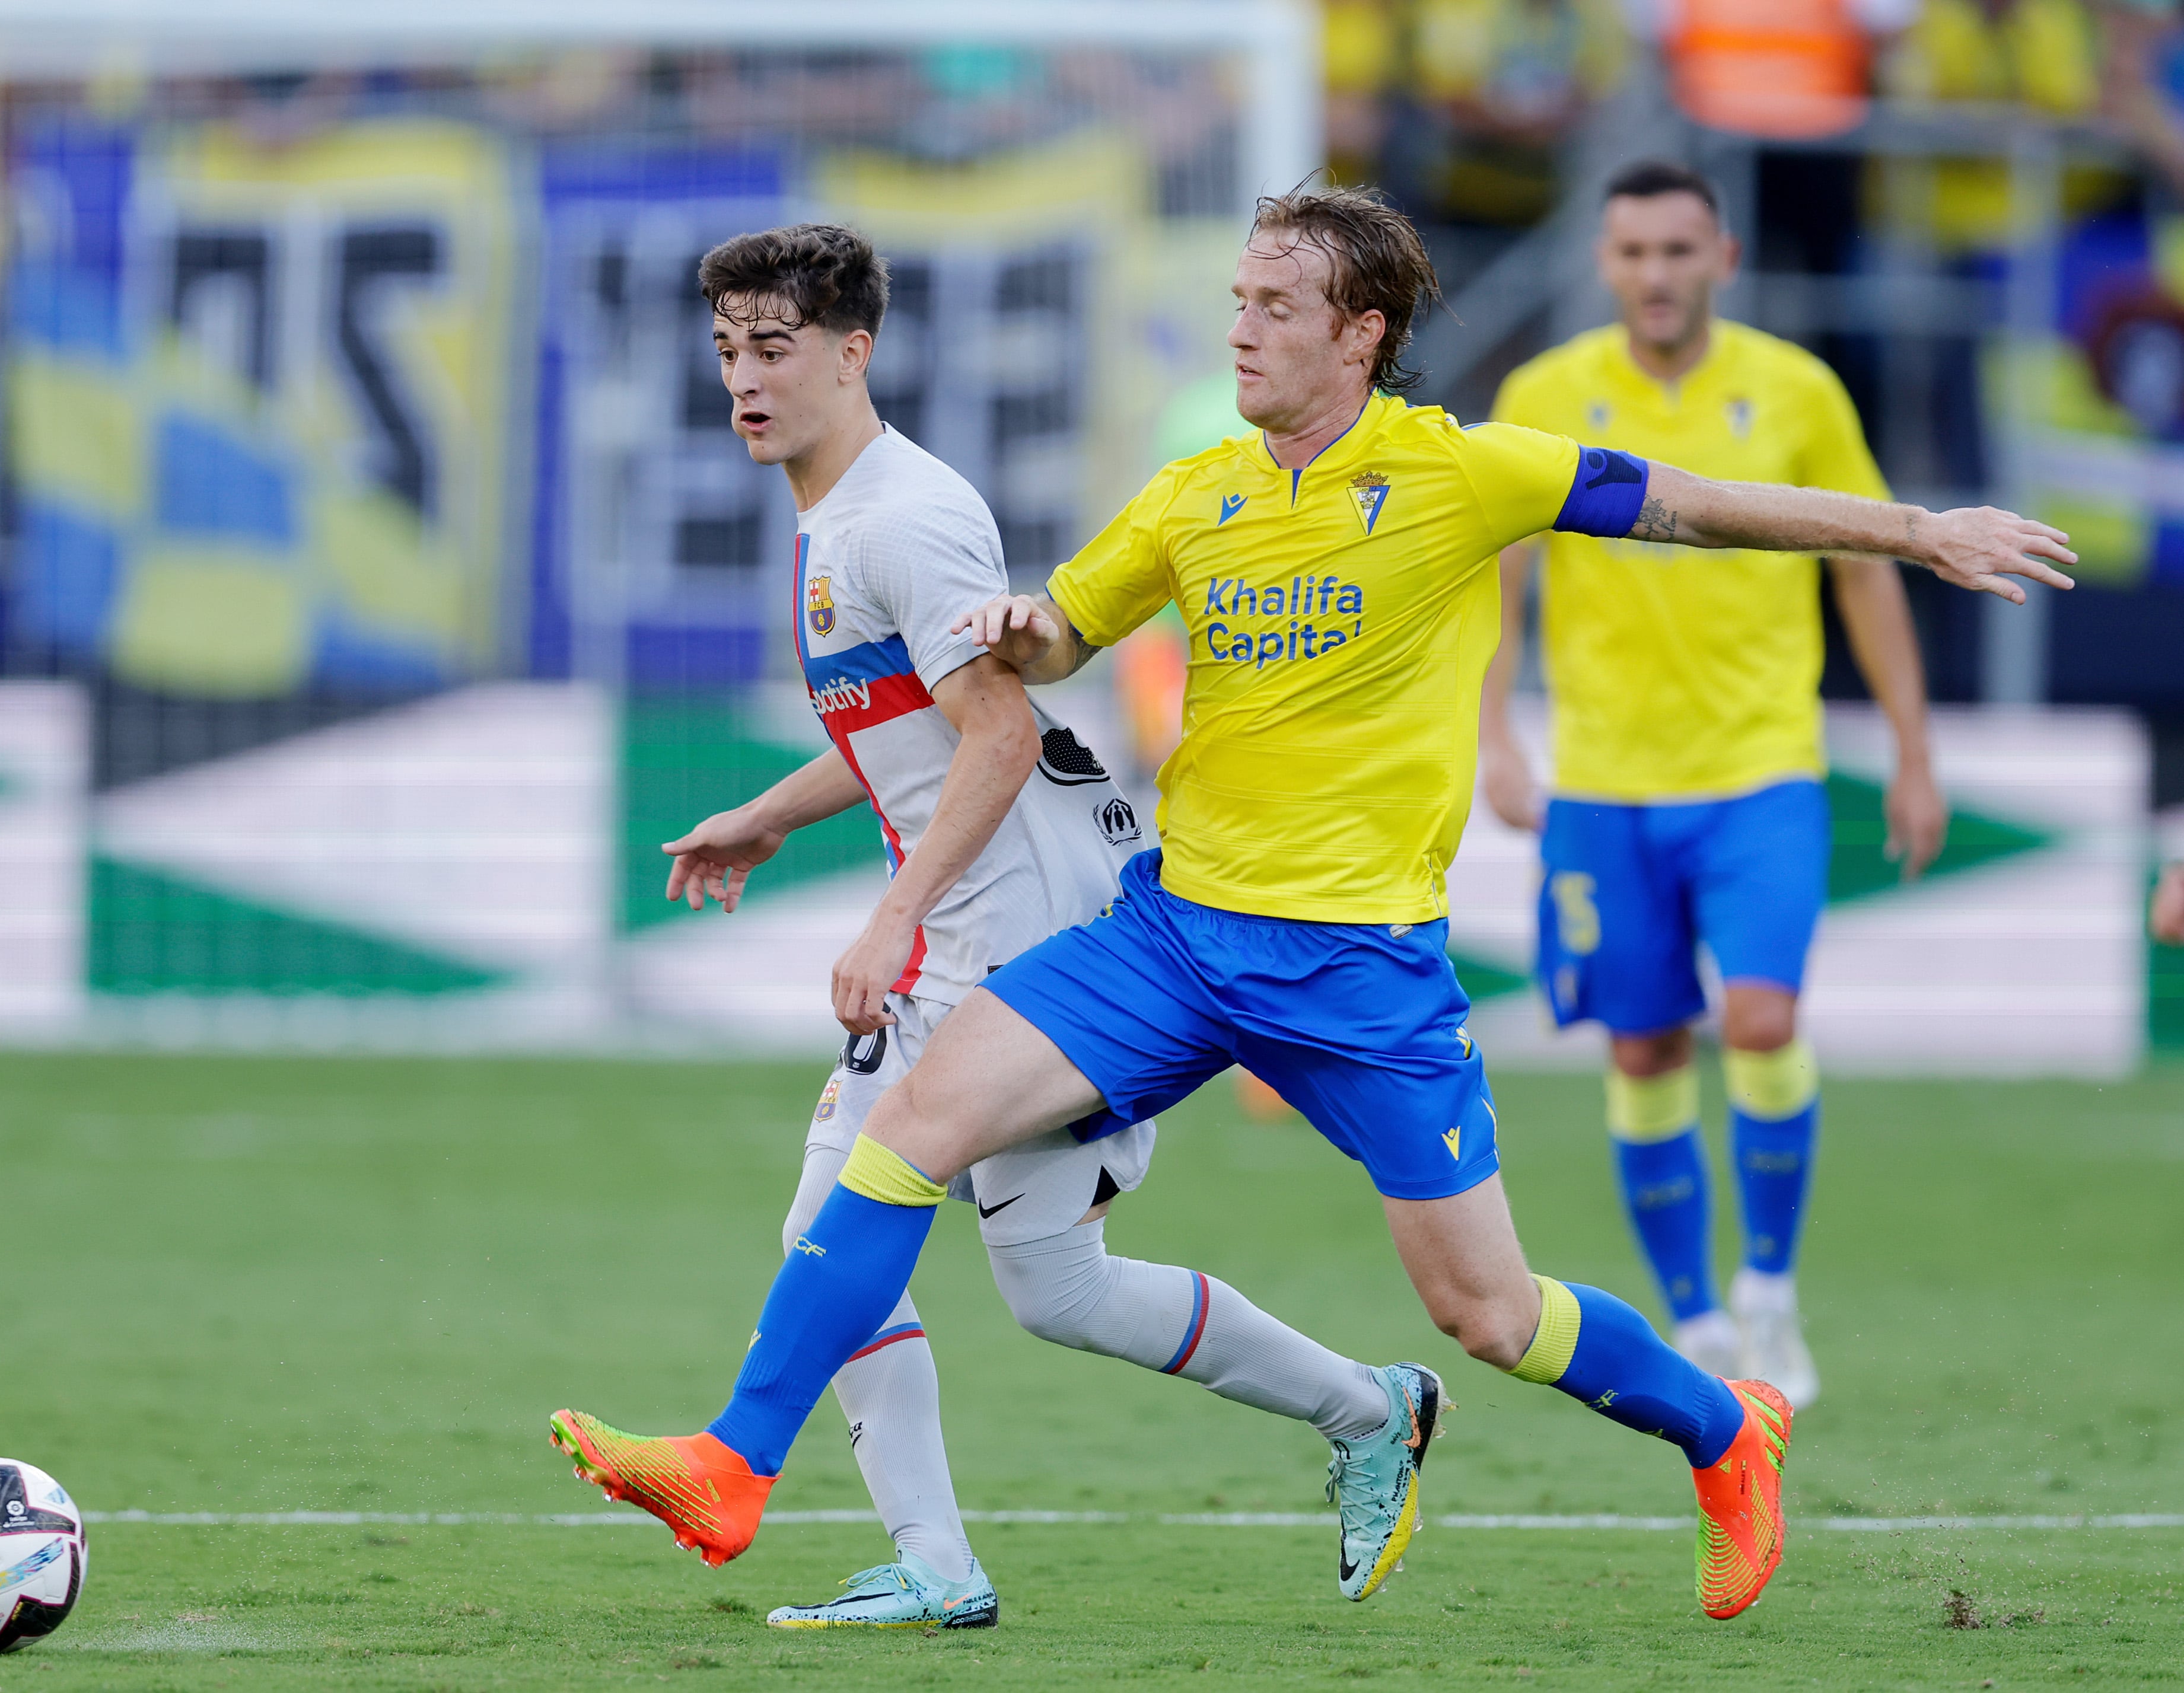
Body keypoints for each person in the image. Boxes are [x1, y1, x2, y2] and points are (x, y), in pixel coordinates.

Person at [550, 187, 2075, 1622]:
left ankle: (1719, 1424)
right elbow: (1051, 647)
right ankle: (737, 1464)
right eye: (1235, 300)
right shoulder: (1194, 497)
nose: (1240, 330)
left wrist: (1915, 529)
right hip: (1170, 935)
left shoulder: (1460, 471)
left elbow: (1691, 505)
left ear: (1357, 333)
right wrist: (1021, 625)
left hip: (1354, 967)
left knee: (1484, 1313)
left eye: (1275, 305)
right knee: (899, 1140)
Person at [568, 222, 1432, 1628]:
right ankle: (1362, 1410)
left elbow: (997, 735)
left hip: (1017, 927)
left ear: (854, 353)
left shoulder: (900, 518)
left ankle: (823, 1503)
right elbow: (907, 732)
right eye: (727, 350)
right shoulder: (839, 513)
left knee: (851, 1218)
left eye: (775, 349)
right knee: (1054, 1290)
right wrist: (775, 812)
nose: (744, 378)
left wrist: (890, 919)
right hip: (1005, 907)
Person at [1480, 160, 1944, 1409]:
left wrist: (1909, 749)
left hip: (1759, 773)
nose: (1654, 274)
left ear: (1722, 259)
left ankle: (1769, 1294)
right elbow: (1496, 579)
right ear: (1604, 262)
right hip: (1602, 786)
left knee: (1757, 1020)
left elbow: (1862, 565)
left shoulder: (1794, 390)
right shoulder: (1545, 392)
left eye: (1676, 251)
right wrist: (1494, 737)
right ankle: (1696, 1318)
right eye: (1631, 252)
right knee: (1640, 1049)